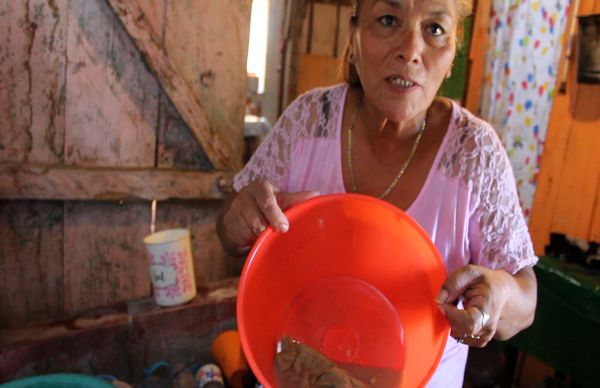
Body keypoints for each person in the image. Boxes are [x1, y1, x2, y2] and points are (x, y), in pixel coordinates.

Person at [217, 0, 538, 386]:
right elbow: (229, 233)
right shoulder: (308, 121)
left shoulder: (474, 154)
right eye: (388, 20)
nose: (410, 50)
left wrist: (498, 296)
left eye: (434, 29)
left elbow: (525, 298)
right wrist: (238, 219)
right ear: (354, 36)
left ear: (452, 52)